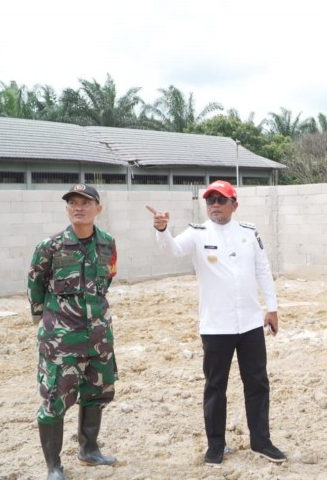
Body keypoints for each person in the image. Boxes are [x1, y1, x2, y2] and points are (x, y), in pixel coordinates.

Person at [146, 180, 286, 466]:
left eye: (221, 200)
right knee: (215, 386)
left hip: (249, 323)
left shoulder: (248, 232)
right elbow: (172, 249)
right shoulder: (197, 233)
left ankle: (261, 441)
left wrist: (271, 308)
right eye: (210, 200)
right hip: (215, 326)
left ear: (235, 204)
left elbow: (263, 269)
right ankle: (216, 446)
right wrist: (162, 230)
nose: (215, 205)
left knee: (258, 383)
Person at [27, 183, 119, 480]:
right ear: (67, 209)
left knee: (96, 393)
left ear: (98, 209)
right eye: (73, 203)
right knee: (55, 399)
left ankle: (89, 450)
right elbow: (35, 284)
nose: (79, 207)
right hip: (61, 341)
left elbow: (108, 280)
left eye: (85, 202)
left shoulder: (107, 243)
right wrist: (47, 322)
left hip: (98, 337)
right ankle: (54, 466)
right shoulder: (50, 246)